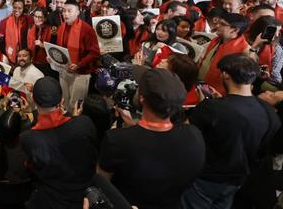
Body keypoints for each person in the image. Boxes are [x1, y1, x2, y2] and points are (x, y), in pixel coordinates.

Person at [181, 54, 281, 209]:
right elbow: (263, 150)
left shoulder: (211, 108)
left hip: (205, 178)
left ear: (226, 75)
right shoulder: (269, 113)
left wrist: (205, 108)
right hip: (237, 181)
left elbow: (185, 134)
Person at [98, 68, 205, 209]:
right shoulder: (195, 135)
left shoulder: (116, 140)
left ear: (142, 98)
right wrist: (134, 129)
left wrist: (126, 134)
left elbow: (102, 183)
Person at [20, 77, 98, 209]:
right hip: (87, 195)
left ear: (33, 99)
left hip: (53, 200)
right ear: (62, 101)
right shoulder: (84, 123)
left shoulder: (28, 138)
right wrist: (73, 117)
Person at [55, 0, 100, 111]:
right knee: (64, 102)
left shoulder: (86, 29)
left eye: (69, 11)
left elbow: (95, 52)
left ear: (77, 12)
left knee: (75, 105)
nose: (65, 14)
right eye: (64, 11)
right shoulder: (62, 27)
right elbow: (60, 49)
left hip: (81, 72)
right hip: (64, 70)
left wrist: (79, 64)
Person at [197, 12, 253, 95]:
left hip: (218, 94)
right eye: (218, 22)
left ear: (235, 30)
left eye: (222, 24)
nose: (217, 25)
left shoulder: (245, 50)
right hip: (201, 85)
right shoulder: (216, 40)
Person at [0, 0, 33, 64]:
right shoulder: (4, 22)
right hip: (10, 54)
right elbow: (1, 40)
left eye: (19, 8)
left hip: (25, 53)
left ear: (23, 8)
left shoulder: (29, 20)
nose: (17, 10)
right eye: (15, 8)